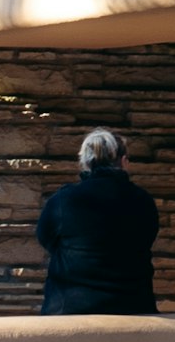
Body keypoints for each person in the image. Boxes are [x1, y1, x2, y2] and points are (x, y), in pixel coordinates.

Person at [35, 129, 159, 315]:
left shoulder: (64, 200)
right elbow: (147, 238)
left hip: (70, 310)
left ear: (84, 163)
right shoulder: (143, 200)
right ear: (124, 162)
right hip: (134, 307)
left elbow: (45, 238)